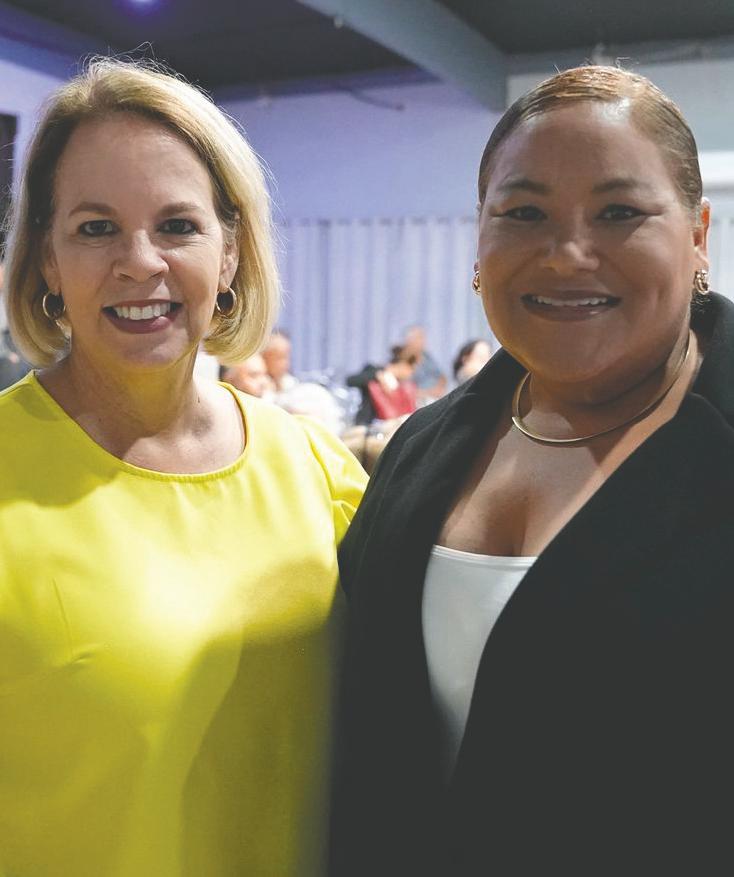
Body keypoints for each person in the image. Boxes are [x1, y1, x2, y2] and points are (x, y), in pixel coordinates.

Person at [332, 65, 734, 875]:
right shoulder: (422, 449)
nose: (567, 254)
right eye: (524, 213)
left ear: (697, 235)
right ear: (478, 239)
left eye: (618, 212)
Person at [0, 58, 366, 877]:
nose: (141, 261)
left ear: (229, 253)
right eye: (95, 228)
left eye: (177, 225)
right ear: (48, 260)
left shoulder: (316, 471)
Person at [346, 344, 418, 426]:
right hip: (366, 425)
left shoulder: (402, 385)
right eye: (411, 369)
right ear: (403, 365)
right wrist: (378, 375)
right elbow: (350, 381)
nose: (411, 374)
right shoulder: (374, 371)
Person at [402, 323, 446, 401]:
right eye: (419, 338)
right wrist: (429, 393)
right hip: (420, 399)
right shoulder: (403, 361)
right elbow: (404, 390)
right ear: (409, 341)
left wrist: (440, 388)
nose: (423, 341)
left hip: (436, 396)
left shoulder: (427, 356)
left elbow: (442, 376)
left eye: (423, 337)